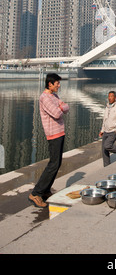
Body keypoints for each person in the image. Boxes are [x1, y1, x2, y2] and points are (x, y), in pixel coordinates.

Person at [28, 73, 69, 208]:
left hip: (60, 132)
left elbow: (66, 108)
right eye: (57, 83)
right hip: (53, 134)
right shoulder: (44, 98)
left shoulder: (54, 96)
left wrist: (61, 106)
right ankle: (36, 192)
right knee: (53, 164)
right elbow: (57, 113)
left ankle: (45, 191)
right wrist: (61, 107)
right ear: (50, 84)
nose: (59, 85)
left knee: (57, 164)